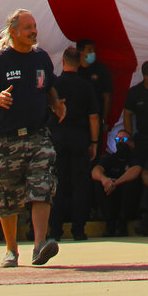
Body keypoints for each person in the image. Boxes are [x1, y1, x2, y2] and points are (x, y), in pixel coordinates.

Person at [0, 7, 66, 268]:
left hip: (38, 135)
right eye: (28, 28)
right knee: (7, 196)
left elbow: (49, 87)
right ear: (14, 32)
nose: (34, 31)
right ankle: (11, 250)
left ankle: (40, 246)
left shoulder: (41, 58)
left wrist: (57, 104)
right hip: (7, 139)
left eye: (34, 26)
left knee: (43, 186)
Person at [48, 45, 100, 241]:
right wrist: (94, 142)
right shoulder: (86, 86)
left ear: (62, 62)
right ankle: (78, 230)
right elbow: (93, 117)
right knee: (80, 185)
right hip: (79, 138)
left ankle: (55, 231)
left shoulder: (54, 86)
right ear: (79, 63)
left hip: (57, 138)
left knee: (57, 184)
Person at [92, 130, 143, 236]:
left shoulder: (135, 158)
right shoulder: (109, 158)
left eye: (124, 139)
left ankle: (122, 223)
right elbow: (95, 171)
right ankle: (109, 224)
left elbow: (136, 170)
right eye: (117, 139)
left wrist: (116, 183)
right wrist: (104, 179)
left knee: (130, 185)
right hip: (110, 195)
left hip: (127, 199)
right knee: (99, 184)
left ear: (131, 143)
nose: (120, 142)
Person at [76, 39, 113, 129]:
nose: (93, 53)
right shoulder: (74, 69)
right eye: (89, 50)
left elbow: (107, 96)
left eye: (94, 50)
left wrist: (104, 120)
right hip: (77, 119)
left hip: (97, 117)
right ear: (80, 52)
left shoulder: (101, 69)